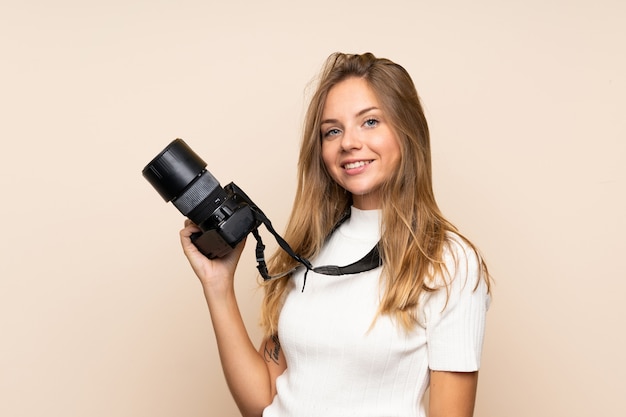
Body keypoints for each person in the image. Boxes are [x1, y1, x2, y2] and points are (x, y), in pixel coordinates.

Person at [180, 52, 491, 417]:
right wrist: (218, 287)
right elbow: (264, 402)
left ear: (408, 131)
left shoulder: (448, 261)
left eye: (370, 121)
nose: (348, 143)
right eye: (333, 130)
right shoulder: (306, 250)